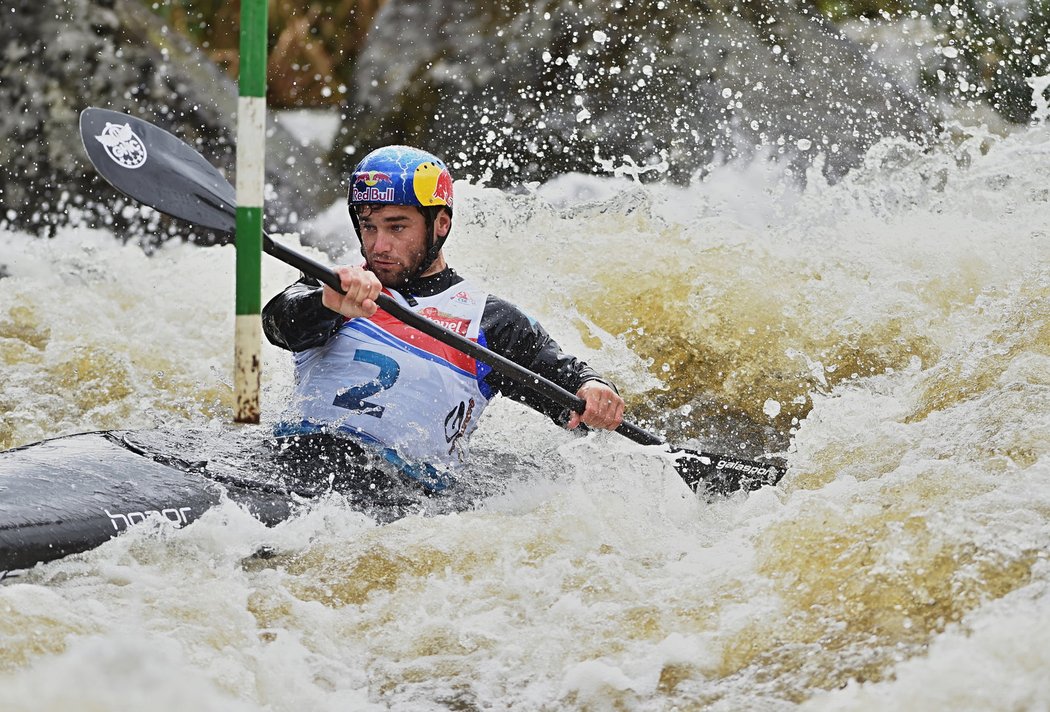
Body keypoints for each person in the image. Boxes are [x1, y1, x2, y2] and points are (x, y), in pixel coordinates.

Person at [262, 145, 625, 492]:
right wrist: (327, 304)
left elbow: (568, 383)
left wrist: (595, 390)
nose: (378, 245)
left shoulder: (491, 321)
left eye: (397, 227)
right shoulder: (332, 289)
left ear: (440, 225)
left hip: (403, 495)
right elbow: (279, 324)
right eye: (369, 226)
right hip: (294, 465)